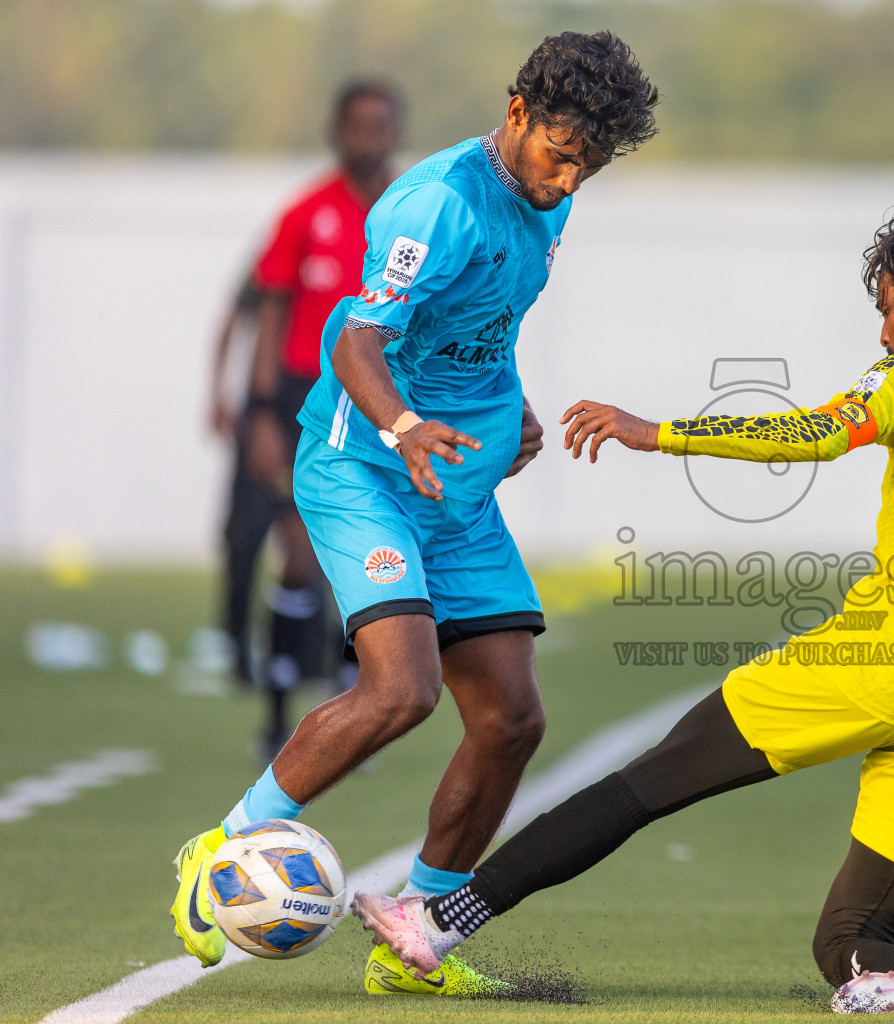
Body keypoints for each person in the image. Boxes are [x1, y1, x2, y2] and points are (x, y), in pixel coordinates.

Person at [352, 193, 894, 1013]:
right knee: (851, 943)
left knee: (647, 781)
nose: (885, 333)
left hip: (877, 663)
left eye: (888, 309)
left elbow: (812, 433)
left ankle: (434, 924)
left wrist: (657, 431)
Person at [170, 32, 660, 999]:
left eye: (589, 167)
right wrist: (402, 427)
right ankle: (221, 848)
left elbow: (483, 327)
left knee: (512, 717)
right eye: (561, 154)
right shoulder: (436, 203)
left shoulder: (543, 205)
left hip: (457, 486)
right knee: (403, 691)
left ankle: (419, 935)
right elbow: (350, 339)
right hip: (366, 468)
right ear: (516, 112)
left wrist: (506, 410)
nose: (569, 181)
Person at [242, 81, 405, 756]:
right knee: (300, 553)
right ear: (336, 130)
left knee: (369, 554)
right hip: (305, 395)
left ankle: (354, 706)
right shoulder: (304, 212)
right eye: (356, 125)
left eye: (380, 125)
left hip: (385, 394)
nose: (367, 137)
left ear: (396, 132)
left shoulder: (414, 210)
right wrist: (259, 410)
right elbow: (271, 309)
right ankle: (277, 716)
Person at [207, 272, 269, 686]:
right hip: (267, 409)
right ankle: (234, 641)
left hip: (326, 404)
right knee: (245, 533)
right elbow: (233, 316)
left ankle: (316, 649)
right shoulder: (298, 229)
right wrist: (219, 393)